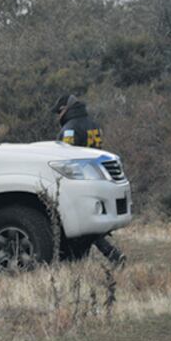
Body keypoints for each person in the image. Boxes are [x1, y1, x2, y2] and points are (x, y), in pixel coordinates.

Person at [51, 94, 125, 265]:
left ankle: (111, 254)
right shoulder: (94, 125)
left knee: (82, 223)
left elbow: (64, 156)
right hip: (97, 176)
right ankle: (92, 256)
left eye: (58, 112)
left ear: (65, 109)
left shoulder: (70, 129)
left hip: (80, 181)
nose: (58, 116)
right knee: (89, 223)